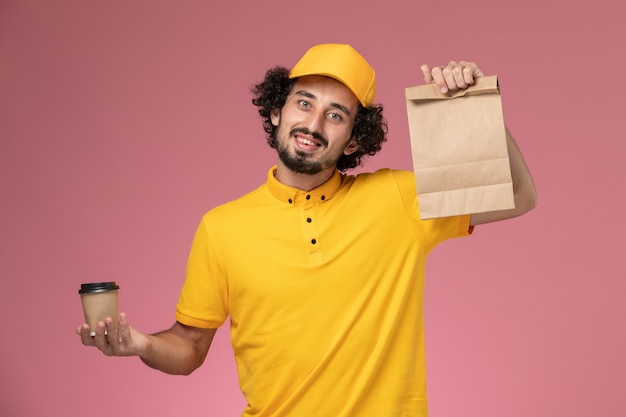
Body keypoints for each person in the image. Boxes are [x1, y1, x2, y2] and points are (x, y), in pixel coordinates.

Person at [77, 43, 537, 416]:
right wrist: (139, 344)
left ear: (355, 139)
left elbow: (518, 195)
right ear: (277, 112)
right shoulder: (222, 228)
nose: (313, 125)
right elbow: (191, 346)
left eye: (336, 115)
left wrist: (478, 106)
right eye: (304, 103)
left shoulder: (398, 199)